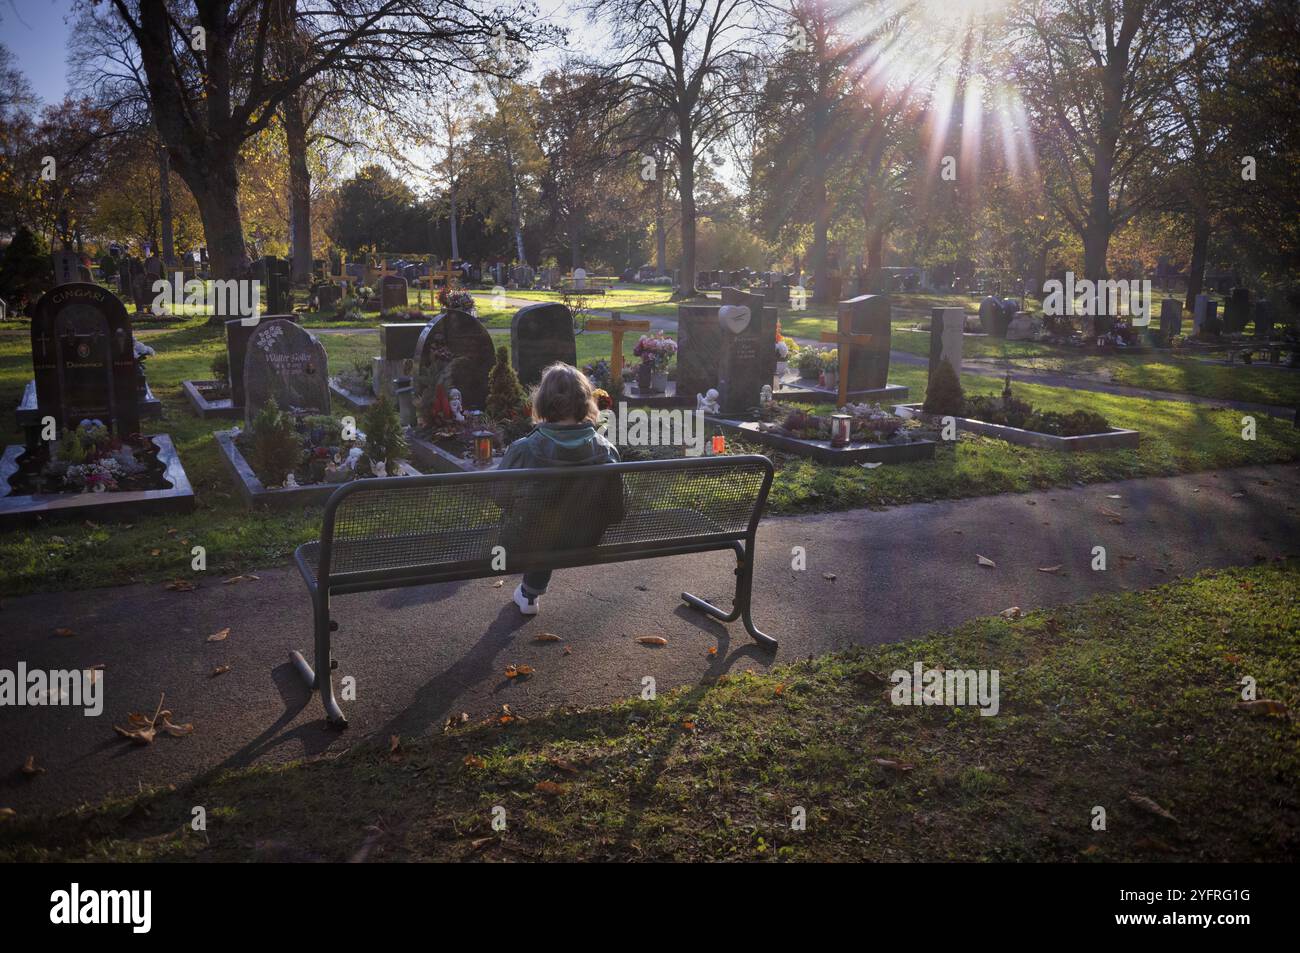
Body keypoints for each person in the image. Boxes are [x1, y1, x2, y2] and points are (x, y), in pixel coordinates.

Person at [499, 363, 622, 615]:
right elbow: (617, 508)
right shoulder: (607, 450)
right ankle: (529, 592)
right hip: (585, 538)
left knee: (539, 525)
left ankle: (529, 595)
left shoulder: (523, 449)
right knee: (552, 524)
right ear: (585, 402)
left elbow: (499, 495)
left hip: (528, 541)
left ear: (543, 401)